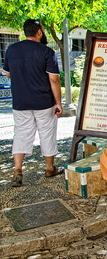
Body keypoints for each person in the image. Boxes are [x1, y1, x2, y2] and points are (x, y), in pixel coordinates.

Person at [3, 19, 64, 187]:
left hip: (20, 101)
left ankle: (17, 170)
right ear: (39, 32)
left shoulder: (11, 50)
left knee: (21, 133)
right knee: (47, 133)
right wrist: (58, 102)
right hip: (43, 102)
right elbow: (54, 79)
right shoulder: (47, 52)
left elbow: (8, 74)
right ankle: (49, 168)